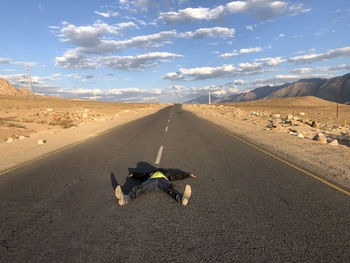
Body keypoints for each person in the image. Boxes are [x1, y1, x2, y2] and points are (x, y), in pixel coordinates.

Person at [115, 168, 196, 206]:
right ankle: (125, 199)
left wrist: (187, 174)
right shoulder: (149, 174)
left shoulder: (166, 175)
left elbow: (176, 176)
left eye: (160, 170)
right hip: (152, 181)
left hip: (162, 181)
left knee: (171, 187)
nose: (158, 170)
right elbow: (142, 175)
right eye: (157, 170)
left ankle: (181, 198)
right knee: (140, 188)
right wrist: (134, 174)